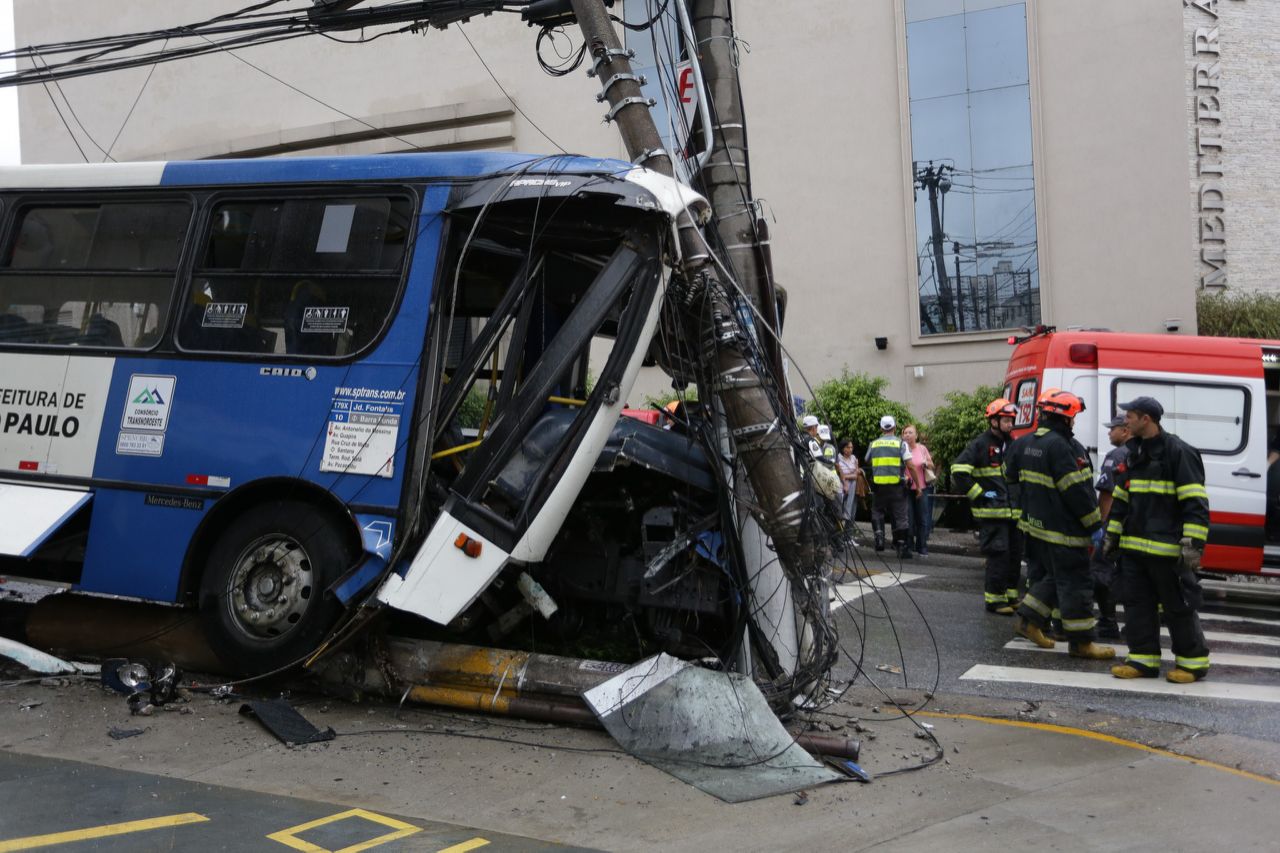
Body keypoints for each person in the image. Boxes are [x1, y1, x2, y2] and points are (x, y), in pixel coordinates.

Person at [1105, 396, 1211, 684]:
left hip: (1167, 552)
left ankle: (1192, 663)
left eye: (1130, 416)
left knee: (1178, 607)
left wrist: (1192, 546)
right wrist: (1112, 534)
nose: (1125, 421)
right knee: (1137, 605)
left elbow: (1195, 502)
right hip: (1134, 550)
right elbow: (1122, 499)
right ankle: (1142, 659)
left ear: (1146, 419)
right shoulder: (1133, 452)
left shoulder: (1178, 452)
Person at [1009, 389, 1114, 661]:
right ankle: (1082, 644)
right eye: (1073, 417)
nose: (1074, 422)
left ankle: (1027, 620)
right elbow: (1076, 491)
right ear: (1065, 418)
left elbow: (1012, 480)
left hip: (1037, 528)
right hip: (1065, 531)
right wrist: (1094, 525)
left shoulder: (1024, 443)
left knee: (1054, 578)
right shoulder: (1062, 446)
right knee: (1077, 583)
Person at [953, 398, 1021, 614]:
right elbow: (958, 470)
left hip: (1012, 513)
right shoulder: (980, 444)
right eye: (1006, 420)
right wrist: (979, 494)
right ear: (994, 420)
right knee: (998, 555)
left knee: (1014, 554)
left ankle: (1011, 595)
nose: (1010, 424)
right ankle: (995, 600)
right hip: (991, 512)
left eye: (1011, 420)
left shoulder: (1012, 444)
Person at [1091, 414, 1130, 639]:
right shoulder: (1145, 452)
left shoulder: (1115, 456)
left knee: (1100, 570)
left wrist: (1100, 526)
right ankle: (1135, 625)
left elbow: (1107, 494)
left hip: (1115, 526)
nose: (1109, 433)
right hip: (1138, 528)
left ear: (1125, 430)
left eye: (1112, 429)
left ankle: (1107, 622)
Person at [866, 415, 921, 558]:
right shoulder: (900, 444)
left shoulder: (874, 444)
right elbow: (911, 466)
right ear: (895, 428)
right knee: (901, 516)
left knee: (877, 511)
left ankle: (879, 539)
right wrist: (918, 486)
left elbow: (867, 459)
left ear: (881, 428)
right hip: (897, 487)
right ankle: (902, 547)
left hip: (879, 486)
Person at [902, 424, 935, 556]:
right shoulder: (901, 449)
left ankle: (922, 547)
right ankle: (908, 546)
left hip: (922, 488)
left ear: (916, 435)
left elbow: (931, 465)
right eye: (905, 433)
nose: (908, 435)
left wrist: (926, 463)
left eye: (910, 433)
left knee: (922, 518)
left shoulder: (922, 449)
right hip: (907, 488)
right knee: (908, 518)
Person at [836, 439, 861, 526]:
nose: (850, 449)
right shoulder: (838, 458)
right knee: (838, 511)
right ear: (843, 448)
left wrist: (845, 476)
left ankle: (849, 536)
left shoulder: (853, 458)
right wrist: (847, 477)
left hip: (852, 489)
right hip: (840, 487)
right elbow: (838, 473)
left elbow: (856, 475)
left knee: (852, 513)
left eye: (851, 447)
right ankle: (838, 535)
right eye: (848, 447)